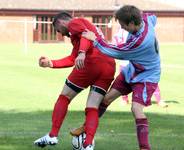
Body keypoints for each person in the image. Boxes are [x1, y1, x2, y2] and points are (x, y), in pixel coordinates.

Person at [71, 5, 161, 150]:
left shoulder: (140, 42)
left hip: (147, 76)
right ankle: (86, 127)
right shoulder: (145, 18)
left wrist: (95, 39)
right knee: (106, 99)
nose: (122, 28)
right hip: (132, 71)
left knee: (136, 108)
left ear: (131, 23)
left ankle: (145, 148)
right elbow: (153, 16)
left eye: (123, 25)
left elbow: (116, 52)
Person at [33, 11, 115, 150]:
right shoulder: (81, 31)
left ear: (61, 22)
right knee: (92, 107)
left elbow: (85, 36)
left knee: (64, 97)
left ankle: (53, 135)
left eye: (59, 30)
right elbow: (72, 58)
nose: (62, 34)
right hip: (108, 66)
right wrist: (51, 63)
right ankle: (88, 144)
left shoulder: (75, 22)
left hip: (91, 63)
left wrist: (82, 53)